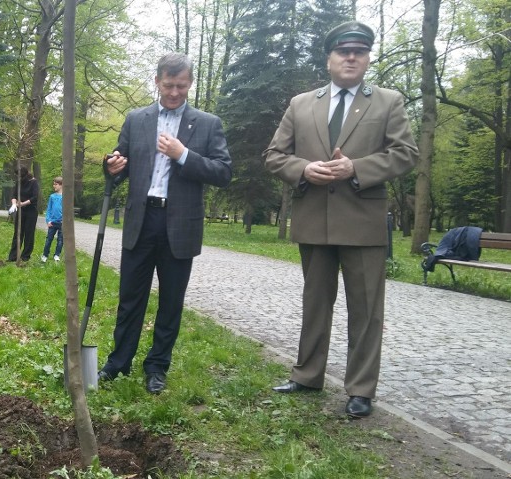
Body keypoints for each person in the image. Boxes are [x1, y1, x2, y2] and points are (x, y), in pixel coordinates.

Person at [263, 21, 418, 418]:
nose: (351, 58)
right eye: (343, 52)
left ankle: (361, 389)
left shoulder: (387, 101)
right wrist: (303, 168)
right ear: (329, 58)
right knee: (315, 302)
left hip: (362, 223)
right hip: (314, 219)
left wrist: (358, 168)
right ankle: (307, 375)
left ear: (367, 59)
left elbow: (405, 154)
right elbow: (275, 156)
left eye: (360, 52)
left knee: (366, 310)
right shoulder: (301, 103)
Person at [99, 53, 233, 394]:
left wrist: (183, 154)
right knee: (131, 298)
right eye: (169, 85)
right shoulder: (137, 119)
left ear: (190, 84)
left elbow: (223, 171)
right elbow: (121, 163)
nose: (175, 92)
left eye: (182, 86)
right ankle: (119, 362)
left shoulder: (207, 123)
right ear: (157, 81)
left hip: (180, 224)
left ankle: (157, 366)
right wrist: (112, 166)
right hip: (141, 220)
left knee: (171, 300)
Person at [7, 166, 39, 262]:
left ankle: (25, 256)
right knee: (18, 233)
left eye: (19, 176)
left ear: (24, 175)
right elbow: (14, 195)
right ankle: (13, 256)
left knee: (29, 233)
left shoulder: (33, 182)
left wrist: (23, 204)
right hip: (21, 211)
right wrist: (14, 204)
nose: (18, 178)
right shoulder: (19, 182)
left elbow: (35, 197)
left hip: (31, 210)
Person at [41, 177, 63, 263]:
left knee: (60, 240)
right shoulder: (52, 197)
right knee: (49, 239)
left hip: (62, 222)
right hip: (52, 222)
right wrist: (48, 220)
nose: (54, 186)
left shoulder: (66, 196)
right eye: (54, 184)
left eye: (56, 184)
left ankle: (57, 255)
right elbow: (49, 209)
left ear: (61, 185)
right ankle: (45, 255)